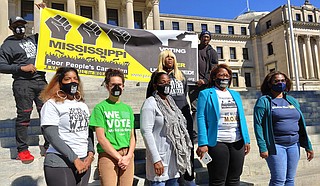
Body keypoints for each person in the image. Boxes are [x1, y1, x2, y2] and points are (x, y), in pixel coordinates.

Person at [0, 13, 49, 163]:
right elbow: (1, 65)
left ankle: (49, 145)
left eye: (22, 25)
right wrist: (21, 68)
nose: (20, 28)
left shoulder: (34, 39)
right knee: (24, 116)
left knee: (48, 113)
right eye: (16, 26)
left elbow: (50, 32)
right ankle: (22, 149)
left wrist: (46, 12)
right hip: (23, 83)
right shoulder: (7, 45)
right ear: (11, 28)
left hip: (41, 81)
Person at [253, 71, 314, 185]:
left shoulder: (292, 100)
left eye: (283, 80)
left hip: (294, 145)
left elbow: (301, 125)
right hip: (276, 145)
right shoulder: (264, 101)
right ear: (270, 84)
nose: (280, 83)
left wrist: (308, 146)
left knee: (290, 180)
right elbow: (258, 125)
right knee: (279, 180)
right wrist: (263, 147)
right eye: (276, 81)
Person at [146, 50, 195, 185]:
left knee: (186, 146)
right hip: (166, 117)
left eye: (172, 58)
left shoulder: (181, 75)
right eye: (167, 57)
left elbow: (185, 94)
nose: (170, 60)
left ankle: (188, 177)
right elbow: (150, 95)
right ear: (162, 59)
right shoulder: (156, 76)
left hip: (183, 116)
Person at [196, 64, 250, 186]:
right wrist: (202, 143)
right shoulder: (205, 94)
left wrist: (246, 140)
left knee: (235, 179)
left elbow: (241, 117)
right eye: (221, 75)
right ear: (214, 77)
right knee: (218, 180)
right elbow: (201, 118)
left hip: (237, 141)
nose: (224, 77)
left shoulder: (235, 94)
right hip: (217, 141)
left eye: (227, 75)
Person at [40, 67, 94, 186]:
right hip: (60, 162)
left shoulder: (82, 104)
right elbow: (51, 135)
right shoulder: (51, 104)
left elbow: (87, 131)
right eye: (67, 79)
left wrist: (90, 153)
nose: (72, 82)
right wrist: (75, 159)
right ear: (60, 82)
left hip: (84, 161)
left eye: (75, 78)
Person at [89, 68, 135, 186]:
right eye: (113, 84)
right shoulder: (100, 108)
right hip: (108, 155)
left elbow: (132, 136)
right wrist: (119, 158)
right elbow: (101, 138)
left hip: (127, 156)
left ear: (123, 86)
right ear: (107, 86)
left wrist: (128, 156)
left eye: (119, 85)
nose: (116, 88)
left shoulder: (128, 109)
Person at [189, 30, 218, 140]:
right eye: (204, 37)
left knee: (206, 108)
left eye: (207, 37)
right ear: (200, 38)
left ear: (209, 39)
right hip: (193, 84)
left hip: (206, 85)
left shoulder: (212, 52)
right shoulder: (193, 50)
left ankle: (206, 131)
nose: (205, 39)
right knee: (195, 108)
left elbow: (214, 69)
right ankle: (195, 132)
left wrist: (205, 80)